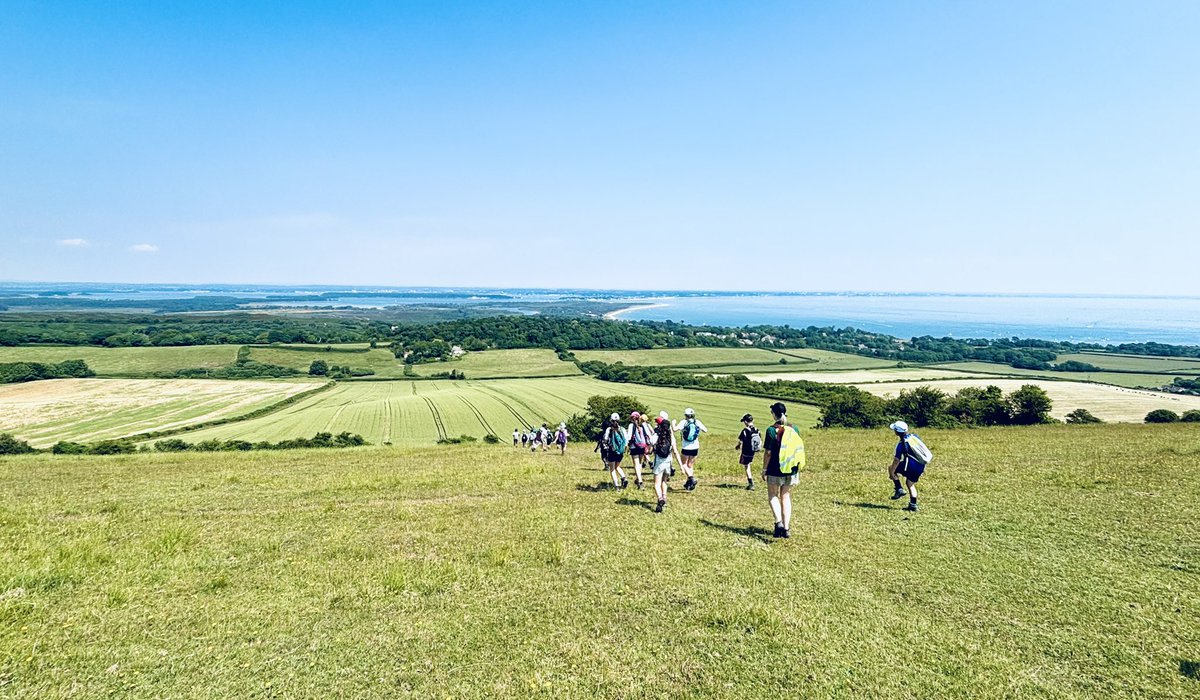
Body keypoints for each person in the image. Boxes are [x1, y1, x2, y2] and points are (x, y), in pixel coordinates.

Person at [762, 402, 802, 539]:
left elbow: (768, 453)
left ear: (774, 414)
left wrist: (764, 469)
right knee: (786, 496)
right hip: (791, 468)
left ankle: (778, 522)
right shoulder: (794, 429)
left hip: (775, 468)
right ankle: (786, 528)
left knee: (773, 495)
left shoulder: (771, 430)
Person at [888, 420, 925, 512]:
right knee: (910, 483)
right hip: (920, 465)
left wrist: (892, 472)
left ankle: (899, 489)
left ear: (897, 432)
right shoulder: (915, 437)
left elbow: (896, 460)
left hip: (910, 465)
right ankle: (913, 505)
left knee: (891, 468)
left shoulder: (901, 444)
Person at [650, 411, 681, 513]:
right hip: (668, 462)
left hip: (659, 462)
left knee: (656, 483)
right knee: (664, 481)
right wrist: (681, 466)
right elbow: (675, 451)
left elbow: (651, 443)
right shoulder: (671, 437)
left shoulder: (657, 435)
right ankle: (665, 498)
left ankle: (660, 499)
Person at [673, 408, 707, 490]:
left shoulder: (683, 422)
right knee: (690, 465)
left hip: (686, 447)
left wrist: (673, 423)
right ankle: (690, 484)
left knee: (683, 464)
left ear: (685, 415)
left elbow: (674, 429)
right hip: (695, 447)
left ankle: (691, 478)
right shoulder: (697, 422)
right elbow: (705, 430)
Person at [595, 413, 629, 489]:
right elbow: (626, 440)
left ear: (611, 420)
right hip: (620, 451)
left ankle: (616, 486)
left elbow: (605, 439)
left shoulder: (609, 429)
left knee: (612, 469)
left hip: (612, 451)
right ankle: (624, 478)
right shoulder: (623, 429)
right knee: (617, 466)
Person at [626, 411, 652, 489]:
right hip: (642, 446)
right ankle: (638, 478)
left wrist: (627, 445)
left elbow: (629, 437)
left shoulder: (631, 425)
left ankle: (640, 482)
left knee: (636, 464)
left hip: (634, 446)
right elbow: (649, 435)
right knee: (640, 463)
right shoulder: (643, 425)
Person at [735, 413, 761, 490]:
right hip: (753, 451)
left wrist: (738, 446)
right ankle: (750, 482)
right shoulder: (757, 430)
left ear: (746, 422)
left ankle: (750, 482)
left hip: (746, 451)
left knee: (746, 466)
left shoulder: (745, 430)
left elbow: (741, 440)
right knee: (748, 464)